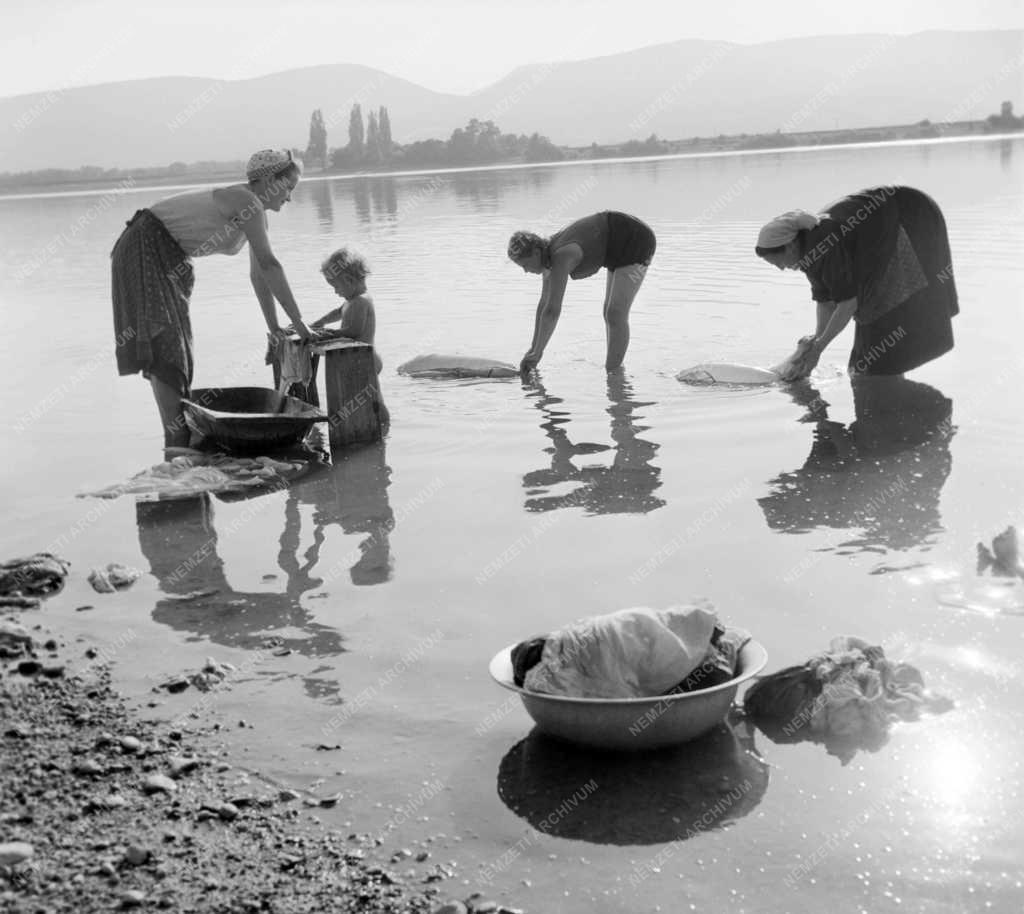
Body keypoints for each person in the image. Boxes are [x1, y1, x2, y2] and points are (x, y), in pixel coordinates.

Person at [111, 148, 318, 447]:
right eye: (288, 188)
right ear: (269, 180)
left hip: (165, 254)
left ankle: (177, 442)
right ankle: (176, 436)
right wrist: (299, 324)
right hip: (146, 245)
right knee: (167, 342)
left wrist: (275, 327)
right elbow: (271, 265)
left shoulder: (254, 211)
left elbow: (259, 274)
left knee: (175, 343)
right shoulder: (247, 201)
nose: (289, 197)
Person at [754, 185, 959, 380]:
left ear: (789, 246)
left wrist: (819, 349)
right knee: (864, 364)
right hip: (884, 227)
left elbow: (848, 303)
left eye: (778, 262)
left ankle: (896, 392)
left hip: (911, 215)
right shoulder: (807, 248)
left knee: (880, 323)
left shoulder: (822, 244)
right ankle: (887, 383)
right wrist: (815, 342)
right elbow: (825, 301)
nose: (781, 268)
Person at [507, 211, 656, 373]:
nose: (525, 271)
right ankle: (614, 372)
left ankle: (614, 374)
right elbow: (543, 306)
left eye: (524, 265)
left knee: (615, 312)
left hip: (636, 240)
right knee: (608, 312)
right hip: (615, 248)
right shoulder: (548, 259)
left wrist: (538, 352)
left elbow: (552, 311)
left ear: (536, 253)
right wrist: (533, 349)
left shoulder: (561, 256)